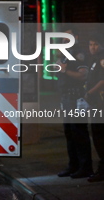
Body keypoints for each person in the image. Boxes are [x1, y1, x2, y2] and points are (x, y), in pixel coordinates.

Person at [57, 28, 93, 179]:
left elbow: (82, 76)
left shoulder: (79, 54)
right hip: (66, 97)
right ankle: (73, 165)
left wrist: (65, 71)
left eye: (69, 36)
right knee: (69, 133)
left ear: (76, 37)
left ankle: (85, 167)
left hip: (76, 98)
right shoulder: (65, 53)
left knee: (79, 132)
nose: (66, 39)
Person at [84, 34, 104, 182]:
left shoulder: (102, 60)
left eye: (95, 44)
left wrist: (89, 92)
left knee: (99, 135)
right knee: (97, 135)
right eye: (91, 44)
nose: (93, 47)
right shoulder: (94, 60)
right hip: (95, 103)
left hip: (100, 103)